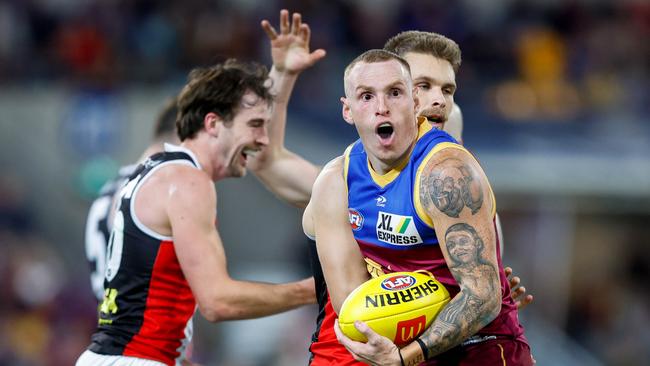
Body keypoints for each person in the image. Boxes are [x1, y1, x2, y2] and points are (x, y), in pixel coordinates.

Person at [251, 20, 532, 364]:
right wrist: (281, 74)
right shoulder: (339, 178)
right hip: (370, 339)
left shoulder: (447, 167)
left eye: (447, 90)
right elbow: (265, 158)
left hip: (464, 344)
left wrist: (490, 286)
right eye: (423, 85)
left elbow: (484, 289)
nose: (436, 101)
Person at [76, 59, 316, 366]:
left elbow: (147, 305)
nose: (263, 140)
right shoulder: (188, 181)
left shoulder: (157, 172)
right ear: (213, 124)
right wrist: (315, 289)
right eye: (255, 125)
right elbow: (218, 301)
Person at [84, 98, 179, 302]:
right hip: (136, 325)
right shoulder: (152, 188)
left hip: (111, 318)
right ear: (181, 134)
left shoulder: (114, 185)